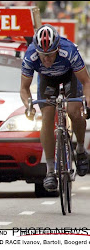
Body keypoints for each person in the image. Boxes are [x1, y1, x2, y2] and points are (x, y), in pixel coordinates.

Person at [20, 24, 90, 192]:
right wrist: (28, 105)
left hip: (69, 76)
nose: (47, 59)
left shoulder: (69, 51)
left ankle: (80, 150)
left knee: (73, 111)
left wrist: (87, 103)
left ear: (57, 49)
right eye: (43, 55)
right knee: (46, 118)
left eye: (50, 54)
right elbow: (24, 88)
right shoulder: (31, 56)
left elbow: (86, 81)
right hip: (47, 80)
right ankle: (50, 170)